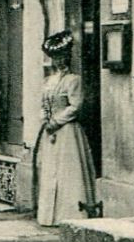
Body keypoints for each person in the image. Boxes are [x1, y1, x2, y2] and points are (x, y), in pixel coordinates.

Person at [35, 31, 98, 226]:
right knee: (51, 170)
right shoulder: (49, 81)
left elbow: (75, 106)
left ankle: (71, 214)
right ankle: (49, 216)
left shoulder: (73, 80)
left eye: (62, 57)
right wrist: (44, 119)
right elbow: (43, 104)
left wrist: (56, 121)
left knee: (68, 172)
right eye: (55, 58)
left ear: (68, 58)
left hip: (68, 131)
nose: (59, 61)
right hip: (51, 133)